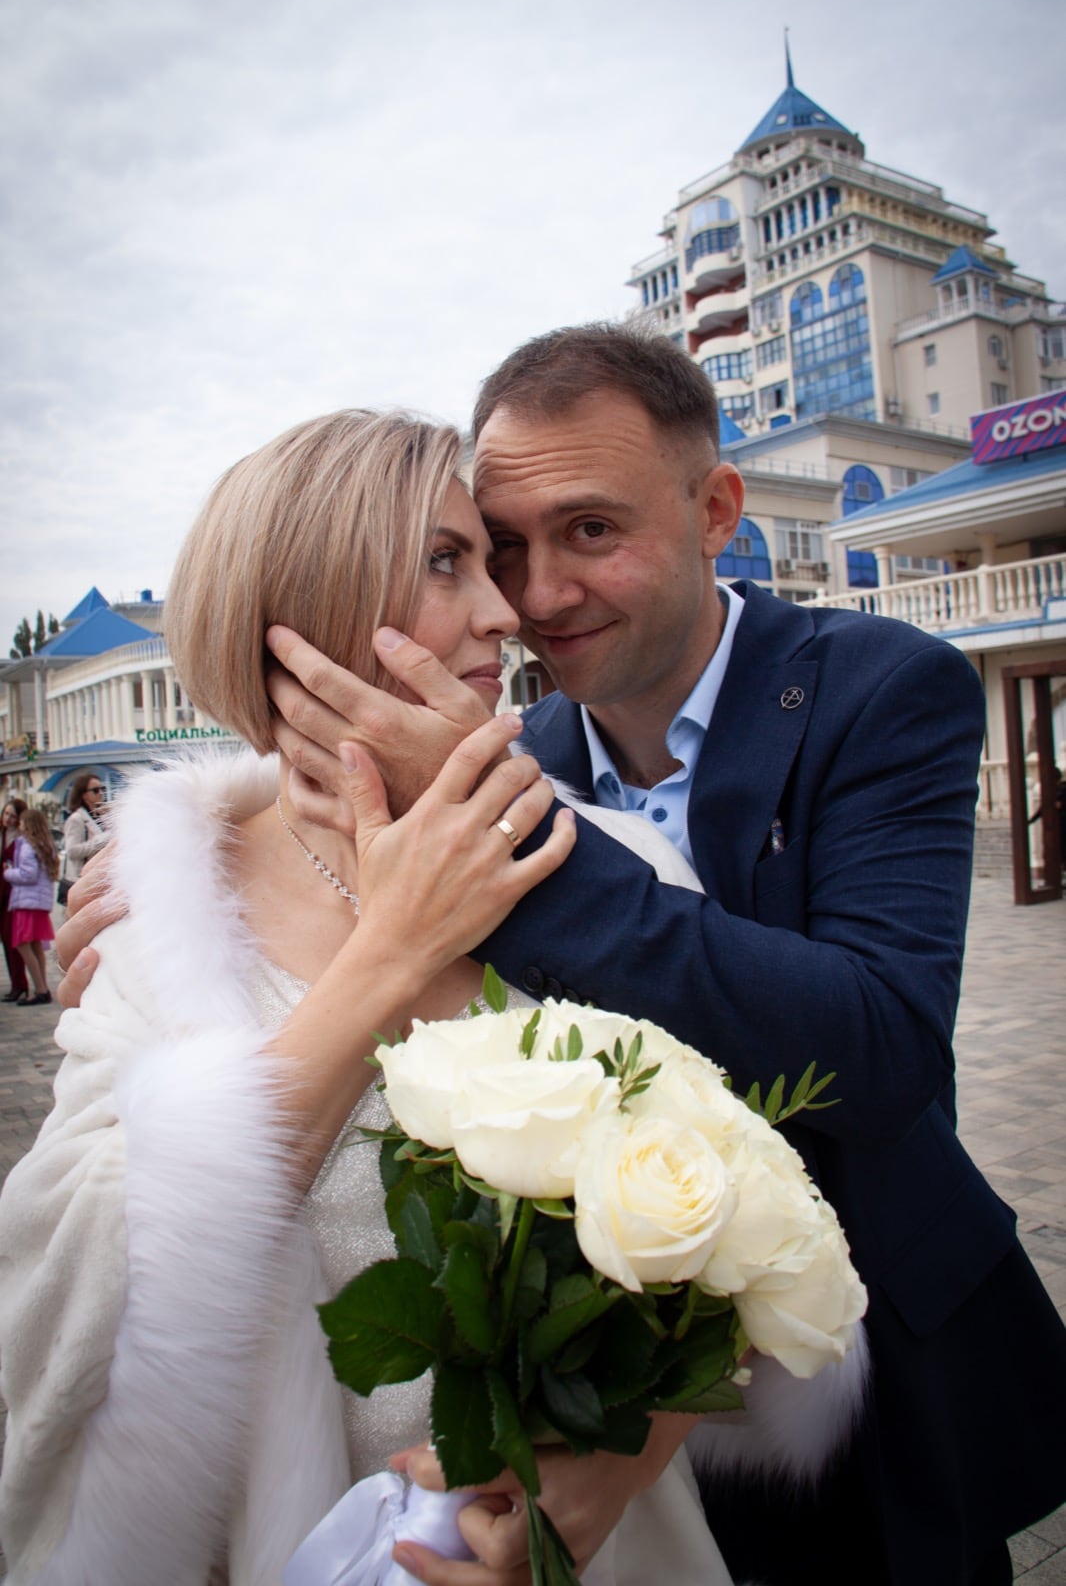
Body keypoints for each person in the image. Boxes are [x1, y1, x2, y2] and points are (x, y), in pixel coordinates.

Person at [234, 325, 1066, 1586]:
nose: (536, 596)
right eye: (502, 545)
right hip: (622, 1386)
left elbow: (884, 1047)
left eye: (590, 530)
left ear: (715, 510)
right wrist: (184, 845)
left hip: (874, 1351)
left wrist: (522, 842)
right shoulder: (519, 750)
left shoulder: (880, 684)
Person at [1, 409, 859, 1586]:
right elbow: (74, 1300)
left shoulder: (614, 868)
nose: (507, 611)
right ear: (306, 598)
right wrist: (398, 948)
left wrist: (618, 1463)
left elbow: (741, 1219)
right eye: (447, 561)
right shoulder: (161, 917)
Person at [2, 806, 58, 1006]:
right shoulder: (45, 845)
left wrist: (8, 872)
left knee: (22, 945)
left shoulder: (26, 845)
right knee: (36, 946)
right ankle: (42, 988)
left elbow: (28, 874)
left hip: (26, 902)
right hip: (39, 903)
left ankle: (40, 989)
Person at [1, 797, 30, 1002]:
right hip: (2, 891)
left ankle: (20, 985)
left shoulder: (22, 838)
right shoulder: (2, 834)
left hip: (15, 894)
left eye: (12, 816)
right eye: (6, 814)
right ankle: (16, 984)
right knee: (6, 941)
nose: (8, 819)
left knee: (15, 941)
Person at [60, 769, 110, 881]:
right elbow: (72, 851)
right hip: (83, 877)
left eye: (103, 789)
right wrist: (99, 842)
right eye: (95, 790)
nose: (101, 793)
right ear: (84, 795)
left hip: (100, 875)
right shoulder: (77, 819)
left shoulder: (101, 816)